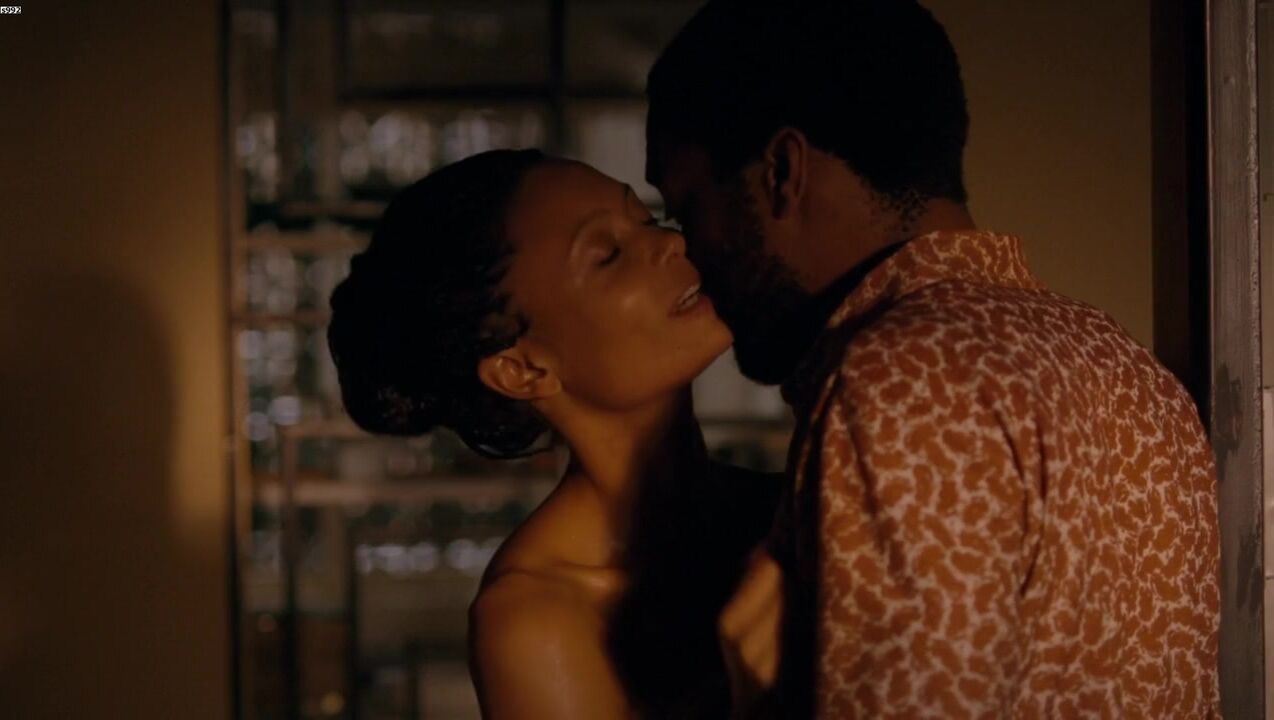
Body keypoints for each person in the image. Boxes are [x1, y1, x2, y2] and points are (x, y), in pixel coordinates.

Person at [645, 1, 1221, 717]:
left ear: (782, 172)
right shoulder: (1132, 370)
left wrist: (763, 700)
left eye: (687, 209)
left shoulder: (895, 386)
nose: (687, 255)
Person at [327, 148, 783, 719]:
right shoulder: (532, 619)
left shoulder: (791, 497)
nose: (667, 242)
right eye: (608, 255)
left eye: (646, 219)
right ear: (522, 370)